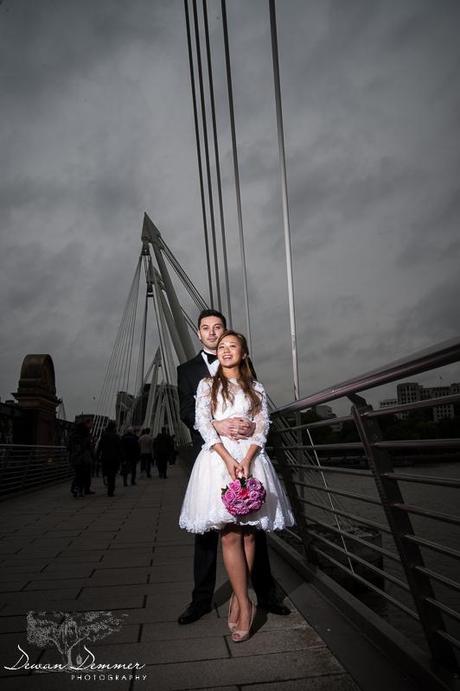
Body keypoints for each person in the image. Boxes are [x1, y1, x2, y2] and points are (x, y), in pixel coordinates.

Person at [177, 309, 291, 626]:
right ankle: (201, 600)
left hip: (248, 456)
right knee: (212, 531)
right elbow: (189, 413)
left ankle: (262, 594)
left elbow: (261, 420)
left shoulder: (253, 383)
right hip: (215, 456)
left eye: (219, 329)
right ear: (199, 334)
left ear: (232, 338)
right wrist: (219, 424)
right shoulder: (189, 372)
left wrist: (247, 440)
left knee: (253, 530)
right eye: (206, 329)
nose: (213, 335)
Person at [97, 421, 123, 497]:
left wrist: (97, 456)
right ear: (114, 428)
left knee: (107, 472)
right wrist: (122, 458)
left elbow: (99, 447)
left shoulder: (103, 436)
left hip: (105, 458)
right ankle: (111, 490)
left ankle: (105, 478)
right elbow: (119, 448)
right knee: (112, 475)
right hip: (114, 458)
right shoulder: (116, 436)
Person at [68, 422, 93, 498]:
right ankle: (79, 490)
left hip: (75, 458)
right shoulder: (86, 436)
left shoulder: (72, 436)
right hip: (83, 458)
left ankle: (76, 489)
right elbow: (89, 447)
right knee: (82, 474)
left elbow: (69, 447)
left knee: (78, 474)